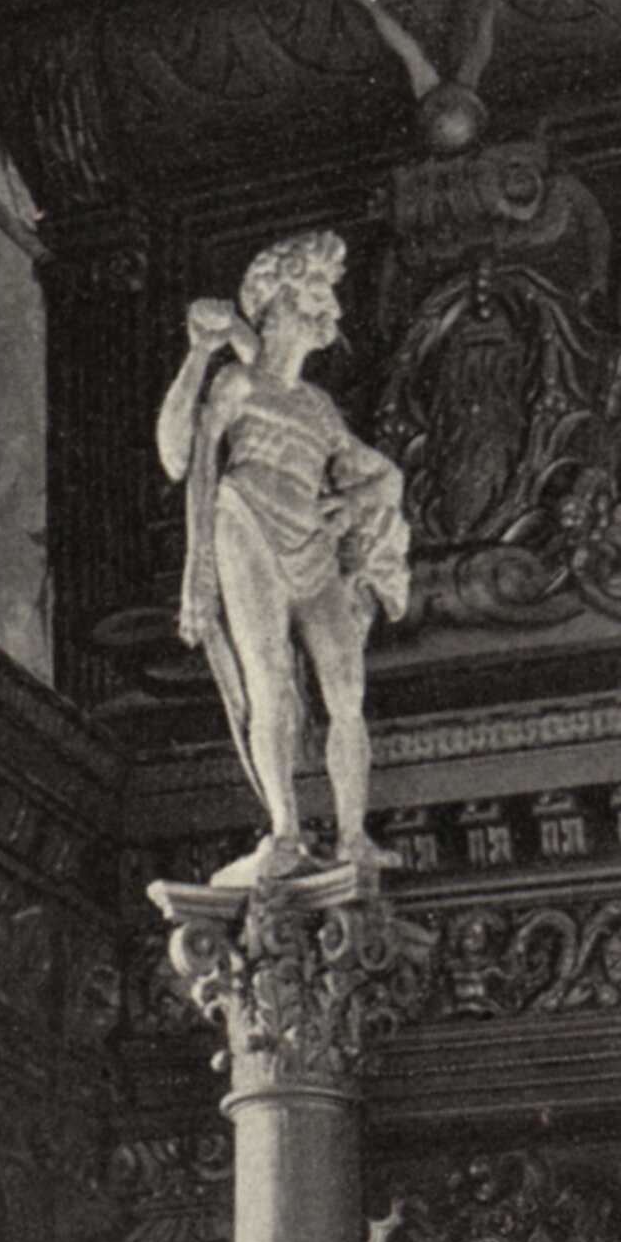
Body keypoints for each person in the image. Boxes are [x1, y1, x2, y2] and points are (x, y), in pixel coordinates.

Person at [154, 230, 413, 889]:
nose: (332, 308)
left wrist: (348, 507)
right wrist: (196, 575)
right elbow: (187, 461)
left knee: (346, 689)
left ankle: (352, 835)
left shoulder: (317, 408)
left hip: (310, 539)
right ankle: (284, 831)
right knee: (269, 678)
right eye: (317, 292)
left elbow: (385, 479)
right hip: (245, 522)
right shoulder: (238, 382)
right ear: (277, 303)